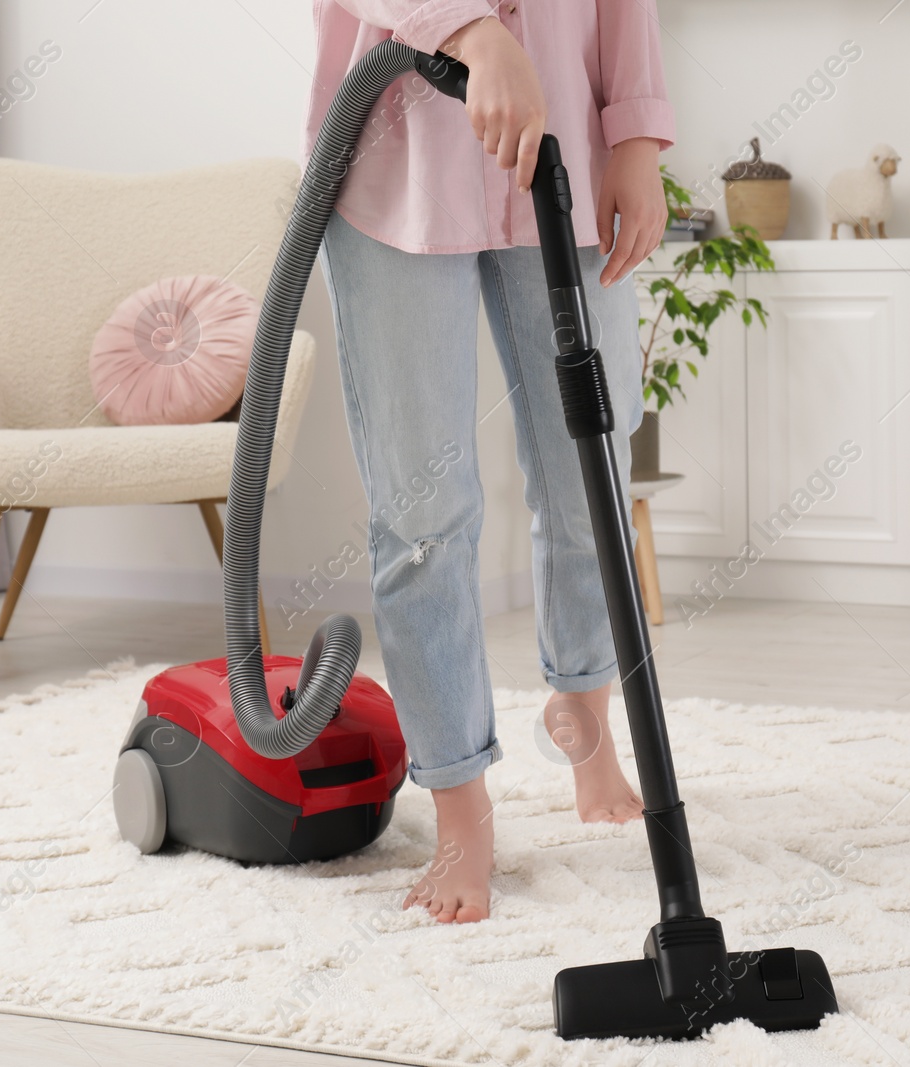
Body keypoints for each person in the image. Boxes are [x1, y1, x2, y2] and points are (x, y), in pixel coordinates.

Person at [305, 2, 674, 924]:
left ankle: (586, 731)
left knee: (589, 478)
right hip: (391, 160)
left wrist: (635, 138)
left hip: (566, 155)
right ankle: (461, 809)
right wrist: (468, 30)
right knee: (423, 519)